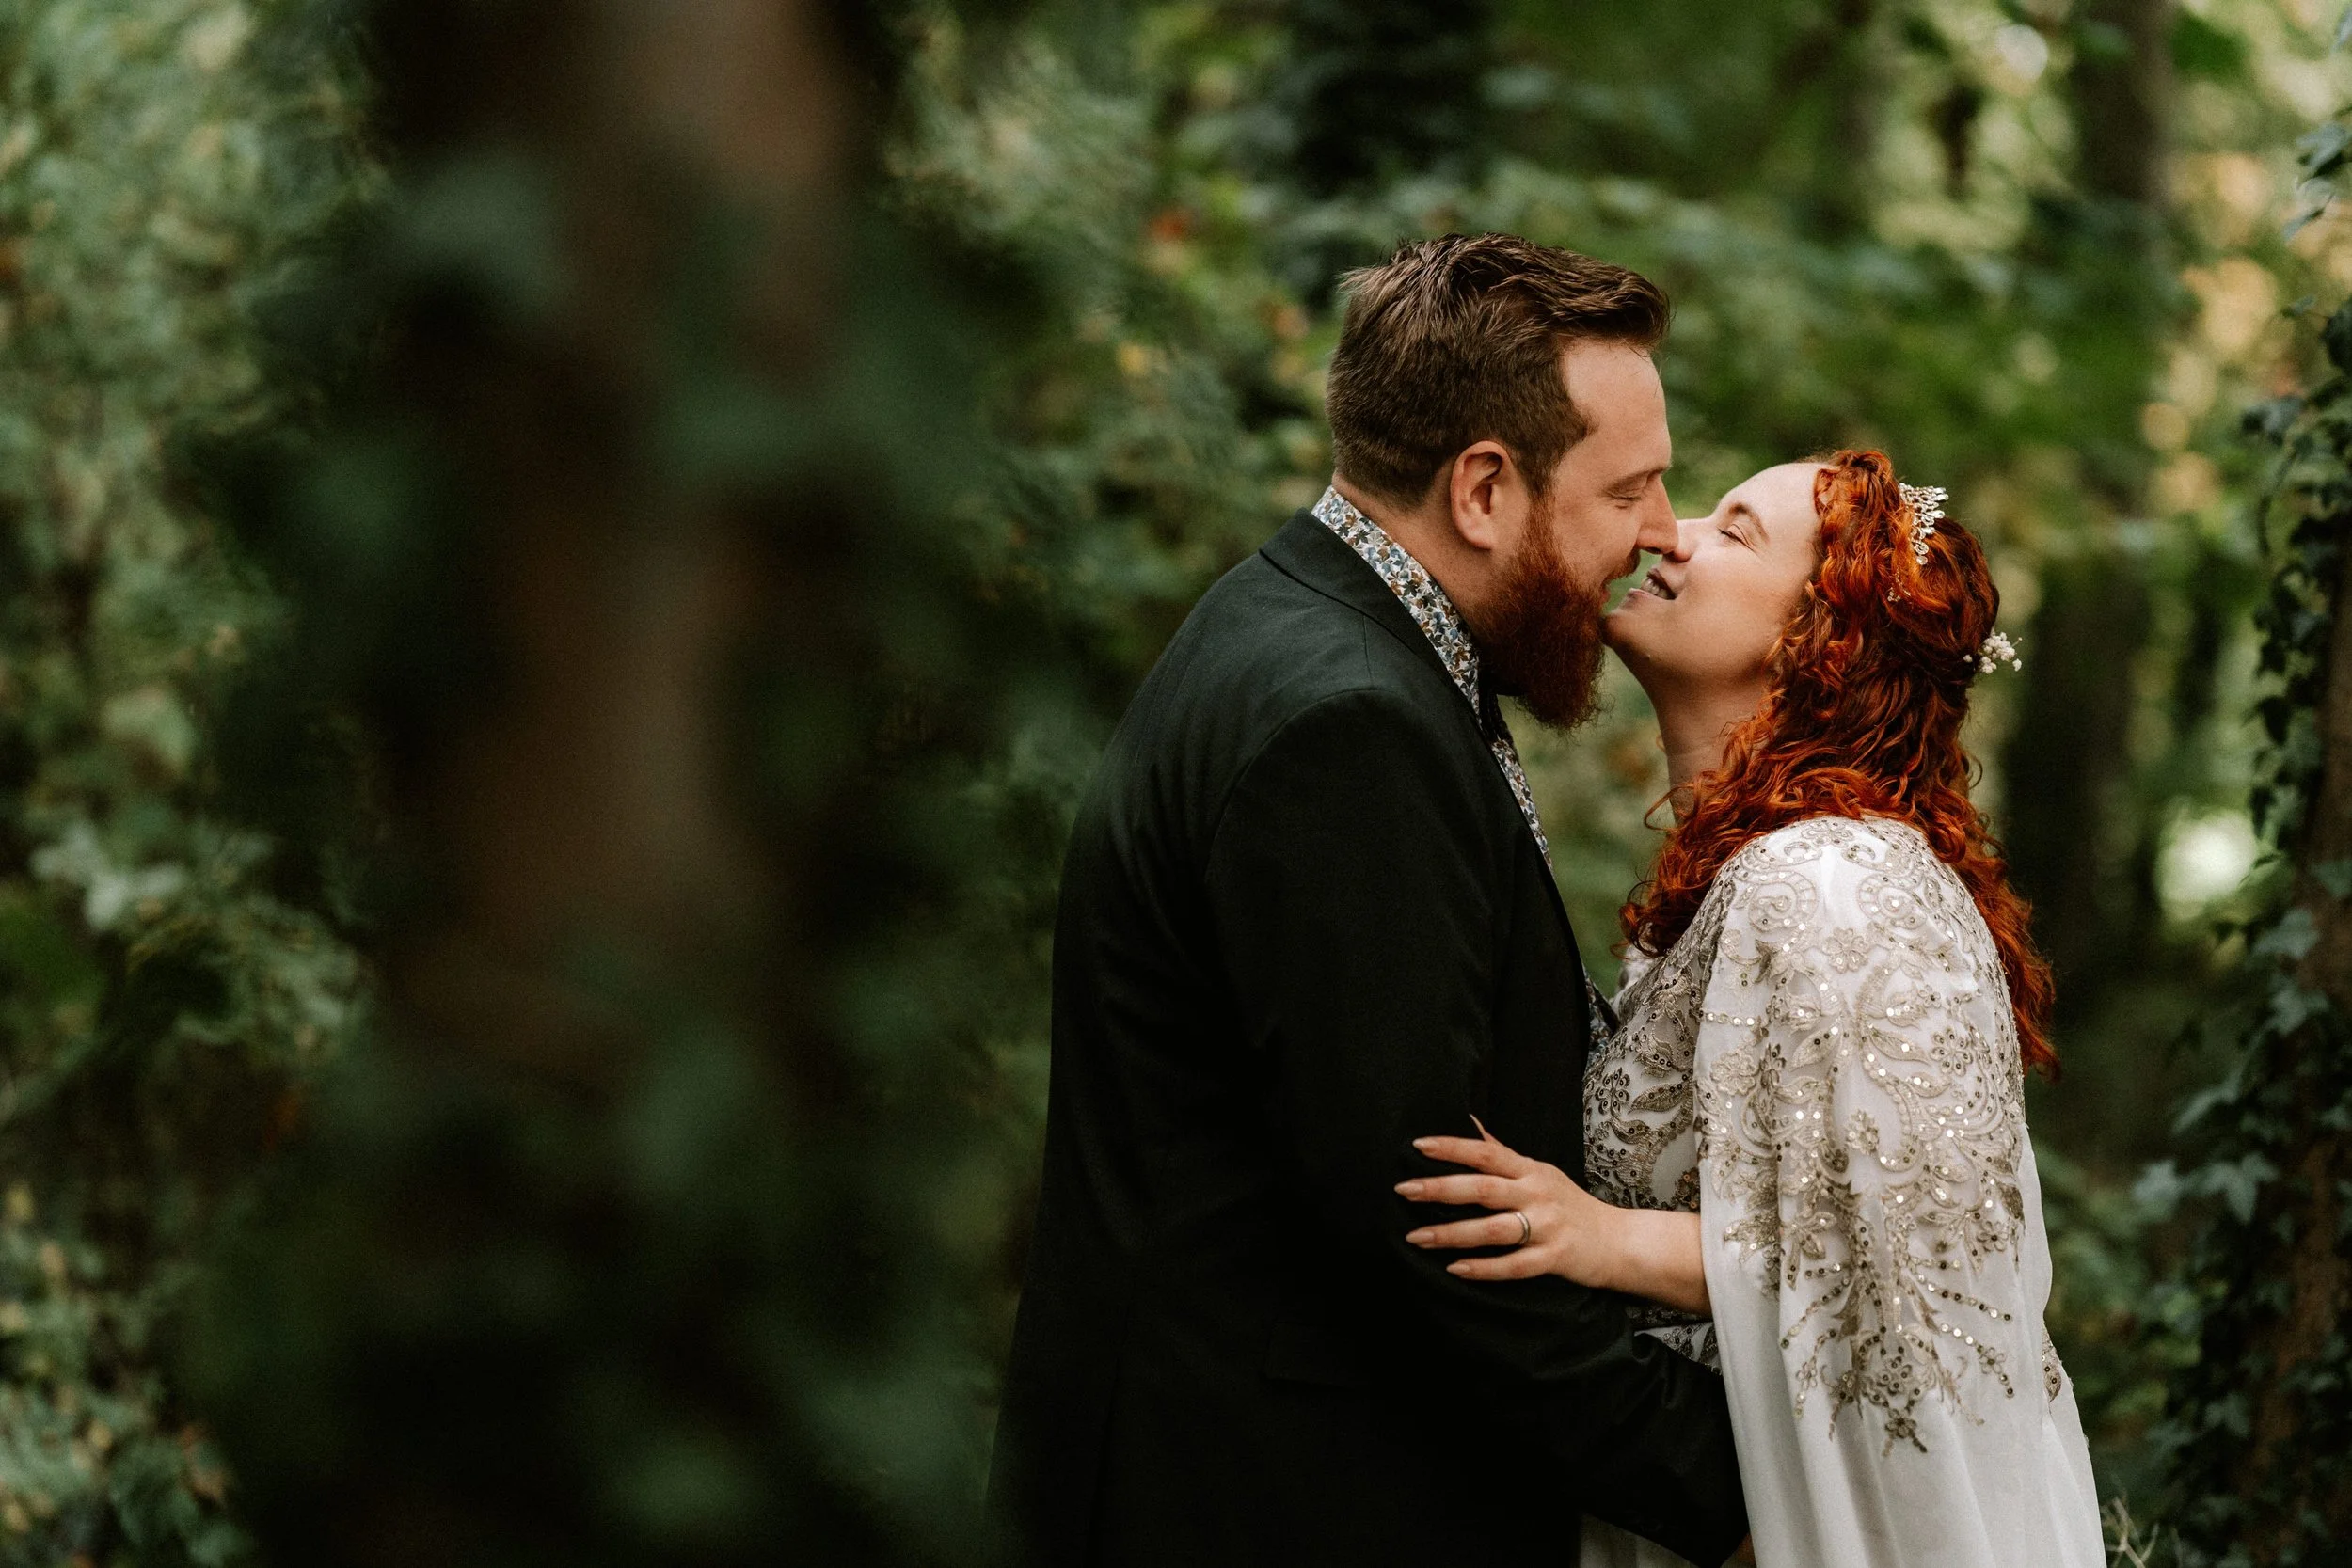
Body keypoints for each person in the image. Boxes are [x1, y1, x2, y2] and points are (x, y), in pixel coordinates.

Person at [987, 233, 1751, 1566]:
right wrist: (1750, 1487)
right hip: (1267, 1507)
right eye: (1629, 485)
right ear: (1484, 489)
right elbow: (1434, 1230)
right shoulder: (1346, 723)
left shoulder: (1328, 634)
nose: (1659, 529)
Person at [1401, 454, 2107, 1567]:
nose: (1666, 532)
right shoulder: (1748, 880)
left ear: (1816, 640)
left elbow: (1920, 1269)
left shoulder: (1835, 883)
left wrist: (1608, 1237)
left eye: (1732, 530)